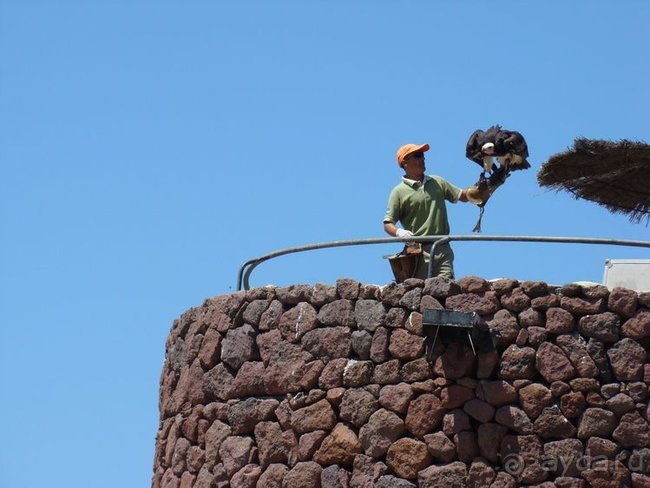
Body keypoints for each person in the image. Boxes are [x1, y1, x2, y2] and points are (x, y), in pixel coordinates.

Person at [383, 143, 471, 280]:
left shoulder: (437, 182)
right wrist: (399, 232)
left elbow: (465, 196)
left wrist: (488, 185)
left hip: (442, 248)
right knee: (420, 295)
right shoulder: (399, 192)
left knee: (445, 289)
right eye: (417, 156)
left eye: (423, 156)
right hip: (418, 254)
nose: (423, 159)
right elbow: (388, 223)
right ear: (404, 162)